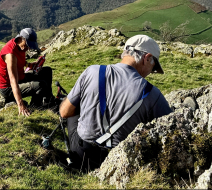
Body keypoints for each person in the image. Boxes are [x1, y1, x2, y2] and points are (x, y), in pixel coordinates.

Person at [59, 35, 172, 171]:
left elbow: (64, 112)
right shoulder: (152, 94)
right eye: (153, 67)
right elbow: (170, 127)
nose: (151, 72)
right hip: (117, 161)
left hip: (82, 153)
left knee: (73, 111)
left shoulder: (93, 71)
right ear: (147, 58)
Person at [0, 28, 55, 116]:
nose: (28, 48)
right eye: (27, 45)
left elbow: (20, 62)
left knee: (47, 71)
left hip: (21, 77)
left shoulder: (20, 47)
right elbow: (13, 82)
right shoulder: (10, 54)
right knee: (40, 85)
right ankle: (35, 108)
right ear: (21, 38)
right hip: (8, 88)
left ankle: (48, 100)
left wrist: (30, 65)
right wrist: (21, 105)